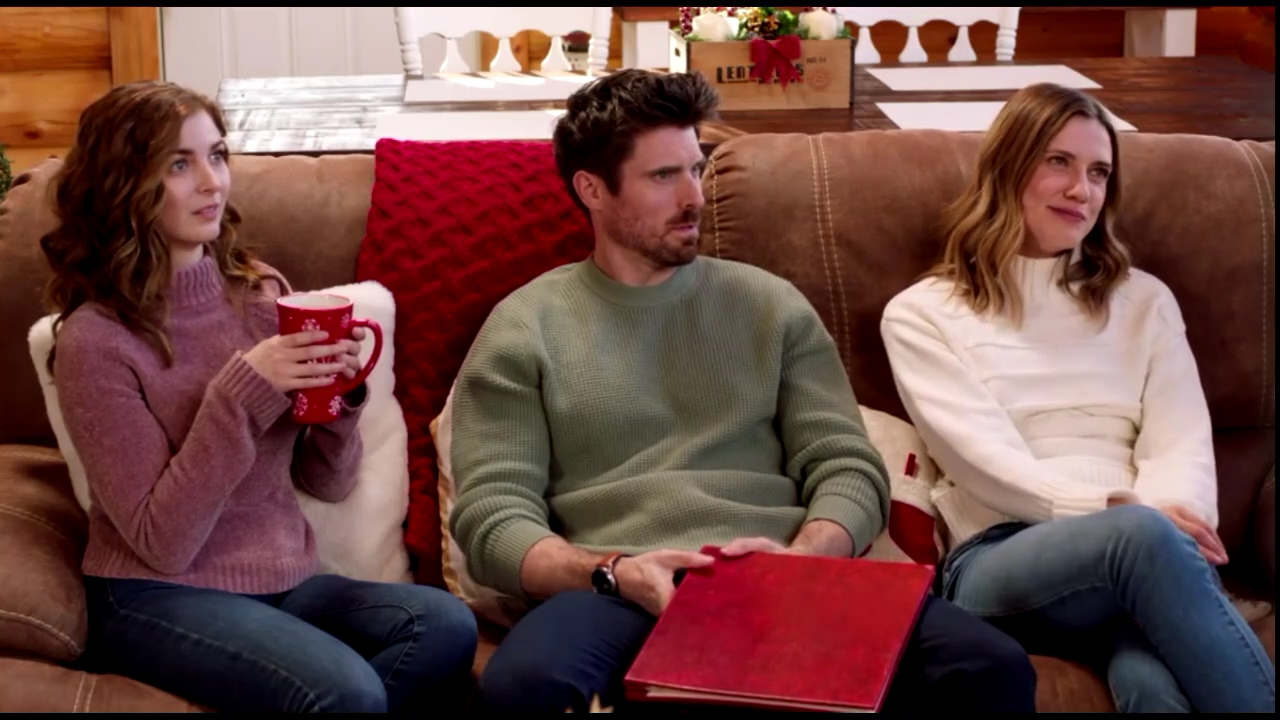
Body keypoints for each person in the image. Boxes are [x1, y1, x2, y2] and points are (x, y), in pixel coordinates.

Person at [447, 68, 1037, 714]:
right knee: (524, 686)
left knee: (990, 665)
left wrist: (804, 556)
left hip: (786, 575)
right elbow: (493, 517)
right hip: (620, 591)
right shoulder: (525, 327)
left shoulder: (770, 306)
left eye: (695, 169)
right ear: (592, 189)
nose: (693, 197)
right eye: (663, 176)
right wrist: (611, 571)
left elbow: (847, 466)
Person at [40, 81, 478, 713]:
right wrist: (242, 392)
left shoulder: (260, 295)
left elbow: (326, 483)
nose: (212, 183)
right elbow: (162, 542)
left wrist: (340, 396)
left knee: (444, 625)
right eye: (179, 165)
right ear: (122, 184)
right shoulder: (96, 341)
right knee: (346, 692)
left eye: (217, 155)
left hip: (284, 582)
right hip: (155, 593)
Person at [880, 82, 1275, 713]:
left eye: (1098, 172)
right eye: (1058, 162)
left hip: (1142, 556)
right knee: (1140, 540)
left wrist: (1172, 522)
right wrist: (1122, 514)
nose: (1081, 190)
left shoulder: (1143, 301)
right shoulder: (922, 314)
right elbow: (985, 463)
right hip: (999, 558)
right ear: (1008, 168)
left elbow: (1180, 441)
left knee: (1150, 684)